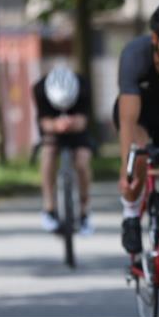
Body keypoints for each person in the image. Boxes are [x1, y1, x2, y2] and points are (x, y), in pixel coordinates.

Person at [113, 1, 159, 260]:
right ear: (155, 39)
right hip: (139, 116)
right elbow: (128, 120)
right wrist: (126, 169)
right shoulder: (134, 56)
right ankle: (130, 214)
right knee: (137, 157)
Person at [32, 64, 94, 235]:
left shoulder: (83, 86)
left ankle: (84, 211)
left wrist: (72, 123)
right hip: (52, 130)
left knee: (82, 161)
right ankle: (49, 207)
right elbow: (43, 122)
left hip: (78, 130)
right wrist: (55, 125)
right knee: (48, 153)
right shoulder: (39, 89)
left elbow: (83, 121)